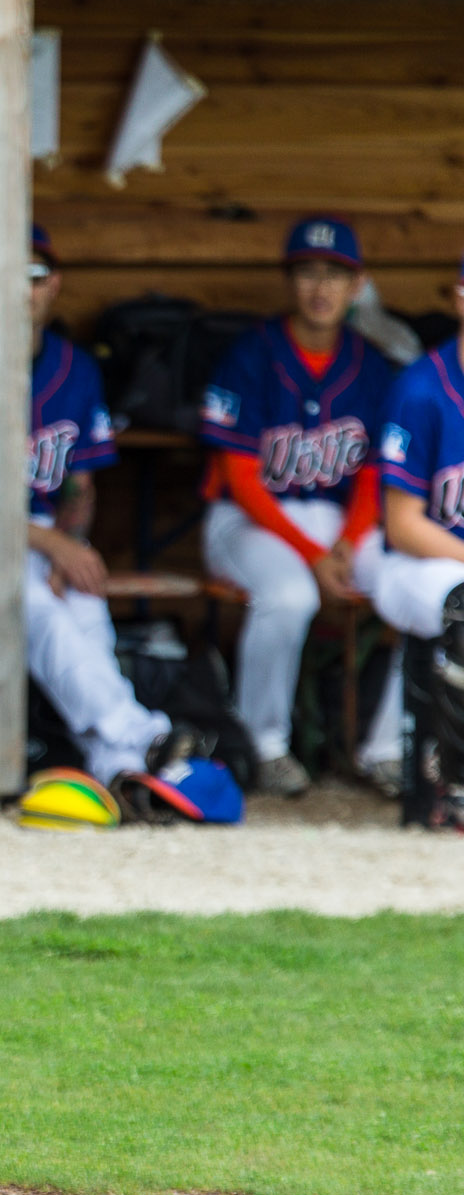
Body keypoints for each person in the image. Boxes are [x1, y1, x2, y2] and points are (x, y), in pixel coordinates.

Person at [0, 225, 180, 785]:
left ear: (52, 285)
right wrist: (51, 542)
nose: (19, 290)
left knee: (85, 608)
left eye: (31, 276)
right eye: (4, 276)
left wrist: (67, 546)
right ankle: (140, 733)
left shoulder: (76, 368)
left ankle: (118, 763)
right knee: (38, 609)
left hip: (45, 534)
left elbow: (80, 484)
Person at [198, 217, 400, 797]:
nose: (321, 287)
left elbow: (373, 472)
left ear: (356, 284)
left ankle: (388, 748)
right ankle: (264, 745)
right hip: (247, 520)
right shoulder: (251, 355)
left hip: (336, 522)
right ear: (289, 281)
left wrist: (346, 541)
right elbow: (240, 477)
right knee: (289, 596)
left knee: (415, 585)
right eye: (308, 272)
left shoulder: (370, 365)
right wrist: (315, 555)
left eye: (335, 275)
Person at [368, 255, 464, 824]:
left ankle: (391, 751)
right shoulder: (423, 388)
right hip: (415, 564)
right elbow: (402, 525)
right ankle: (447, 781)